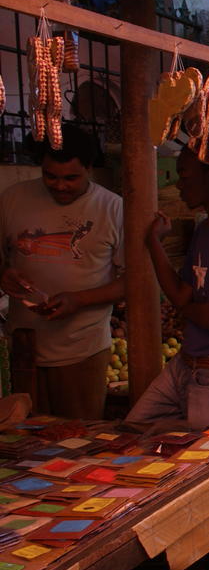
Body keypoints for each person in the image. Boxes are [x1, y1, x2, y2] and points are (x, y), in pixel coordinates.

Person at [0, 124, 124, 419]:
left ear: (90, 168)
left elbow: (133, 282)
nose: (60, 185)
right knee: (26, 443)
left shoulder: (113, 208)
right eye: (50, 176)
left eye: (71, 178)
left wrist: (79, 300)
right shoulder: (12, 199)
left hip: (83, 351)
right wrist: (4, 276)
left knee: (78, 438)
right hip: (24, 349)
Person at [126, 147, 209, 430]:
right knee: (134, 429)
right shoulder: (204, 230)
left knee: (205, 459)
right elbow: (180, 294)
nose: (178, 184)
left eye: (184, 175)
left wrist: (184, 309)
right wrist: (155, 242)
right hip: (186, 362)